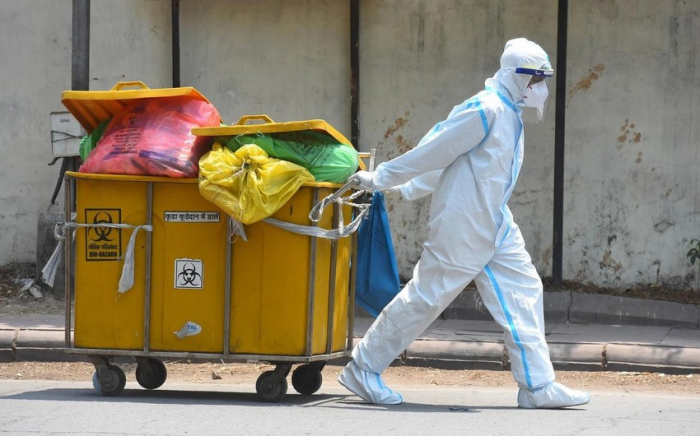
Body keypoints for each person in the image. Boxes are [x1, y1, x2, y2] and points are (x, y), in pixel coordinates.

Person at [339, 38, 590, 409]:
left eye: (544, 80)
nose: (541, 88)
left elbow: (458, 161)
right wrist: (383, 179)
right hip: (463, 223)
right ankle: (363, 368)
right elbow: (434, 151)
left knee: (523, 289)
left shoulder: (510, 113)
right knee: (427, 296)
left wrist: (408, 187)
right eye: (536, 79)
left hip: (495, 221)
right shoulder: (485, 108)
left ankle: (538, 386)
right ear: (515, 75)